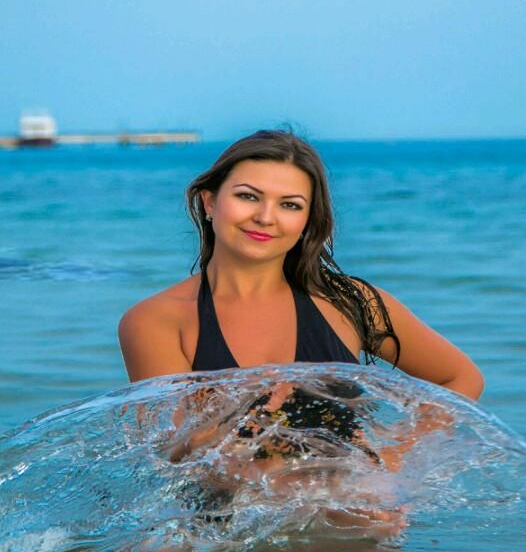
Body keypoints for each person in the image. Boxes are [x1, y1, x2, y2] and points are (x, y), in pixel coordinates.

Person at [118, 129, 484, 400]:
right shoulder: (156, 321)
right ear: (210, 203)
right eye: (248, 196)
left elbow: (461, 377)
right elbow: (181, 451)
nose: (265, 217)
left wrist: (394, 465)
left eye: (289, 204)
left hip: (352, 504)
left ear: (308, 220)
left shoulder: (351, 303)